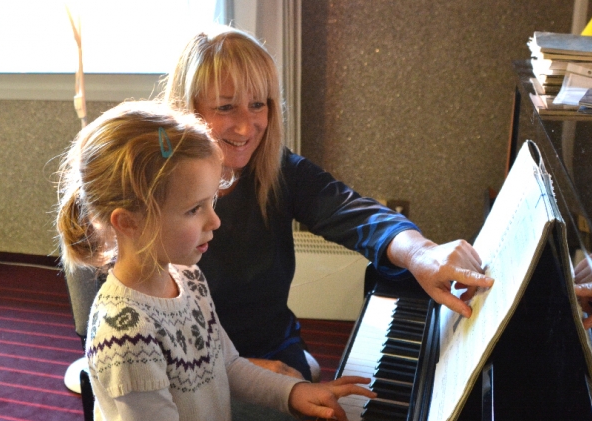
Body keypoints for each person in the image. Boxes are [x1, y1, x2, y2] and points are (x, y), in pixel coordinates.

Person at [161, 25, 495, 382]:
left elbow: (353, 213)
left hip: (273, 344)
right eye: (226, 107)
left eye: (257, 104)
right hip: (191, 362)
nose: (246, 127)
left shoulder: (279, 170)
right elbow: (145, 320)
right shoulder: (156, 186)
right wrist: (241, 372)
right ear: (187, 109)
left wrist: (421, 253)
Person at [55, 100, 376, 421]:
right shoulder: (125, 333)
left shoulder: (187, 278)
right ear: (129, 222)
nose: (215, 221)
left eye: (211, 202)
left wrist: (294, 392)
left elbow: (227, 364)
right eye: (194, 209)